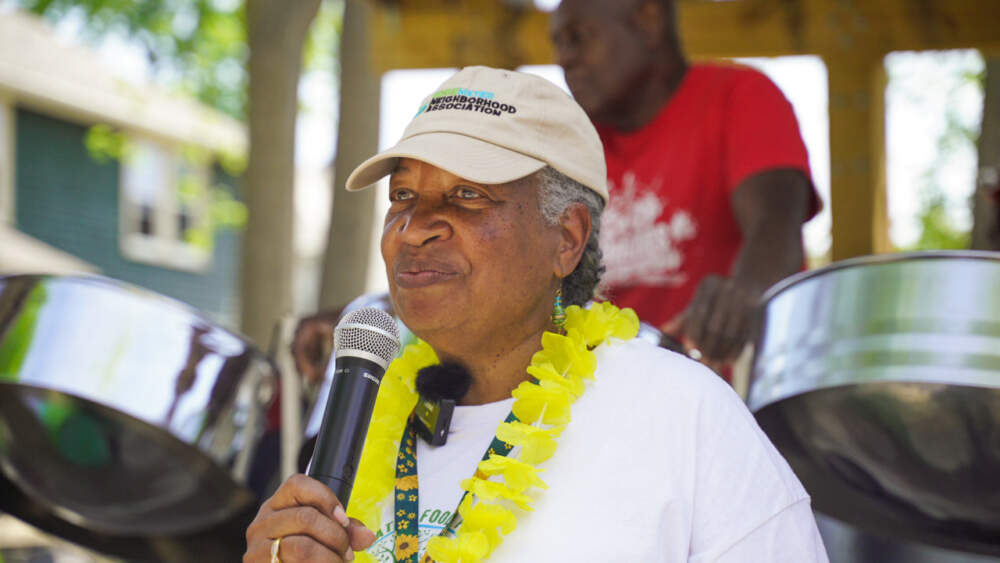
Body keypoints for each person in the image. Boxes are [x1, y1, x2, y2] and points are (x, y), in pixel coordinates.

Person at [244, 66, 826, 563]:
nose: (416, 227)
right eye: (402, 196)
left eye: (467, 195)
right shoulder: (361, 427)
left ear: (567, 238)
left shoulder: (681, 411)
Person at [551, 0, 818, 369]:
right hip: (610, 398)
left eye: (577, 38)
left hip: (730, 394)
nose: (565, 58)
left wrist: (746, 292)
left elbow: (774, 224)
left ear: (648, 19)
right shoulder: (570, 147)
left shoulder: (740, 96)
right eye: (559, 44)